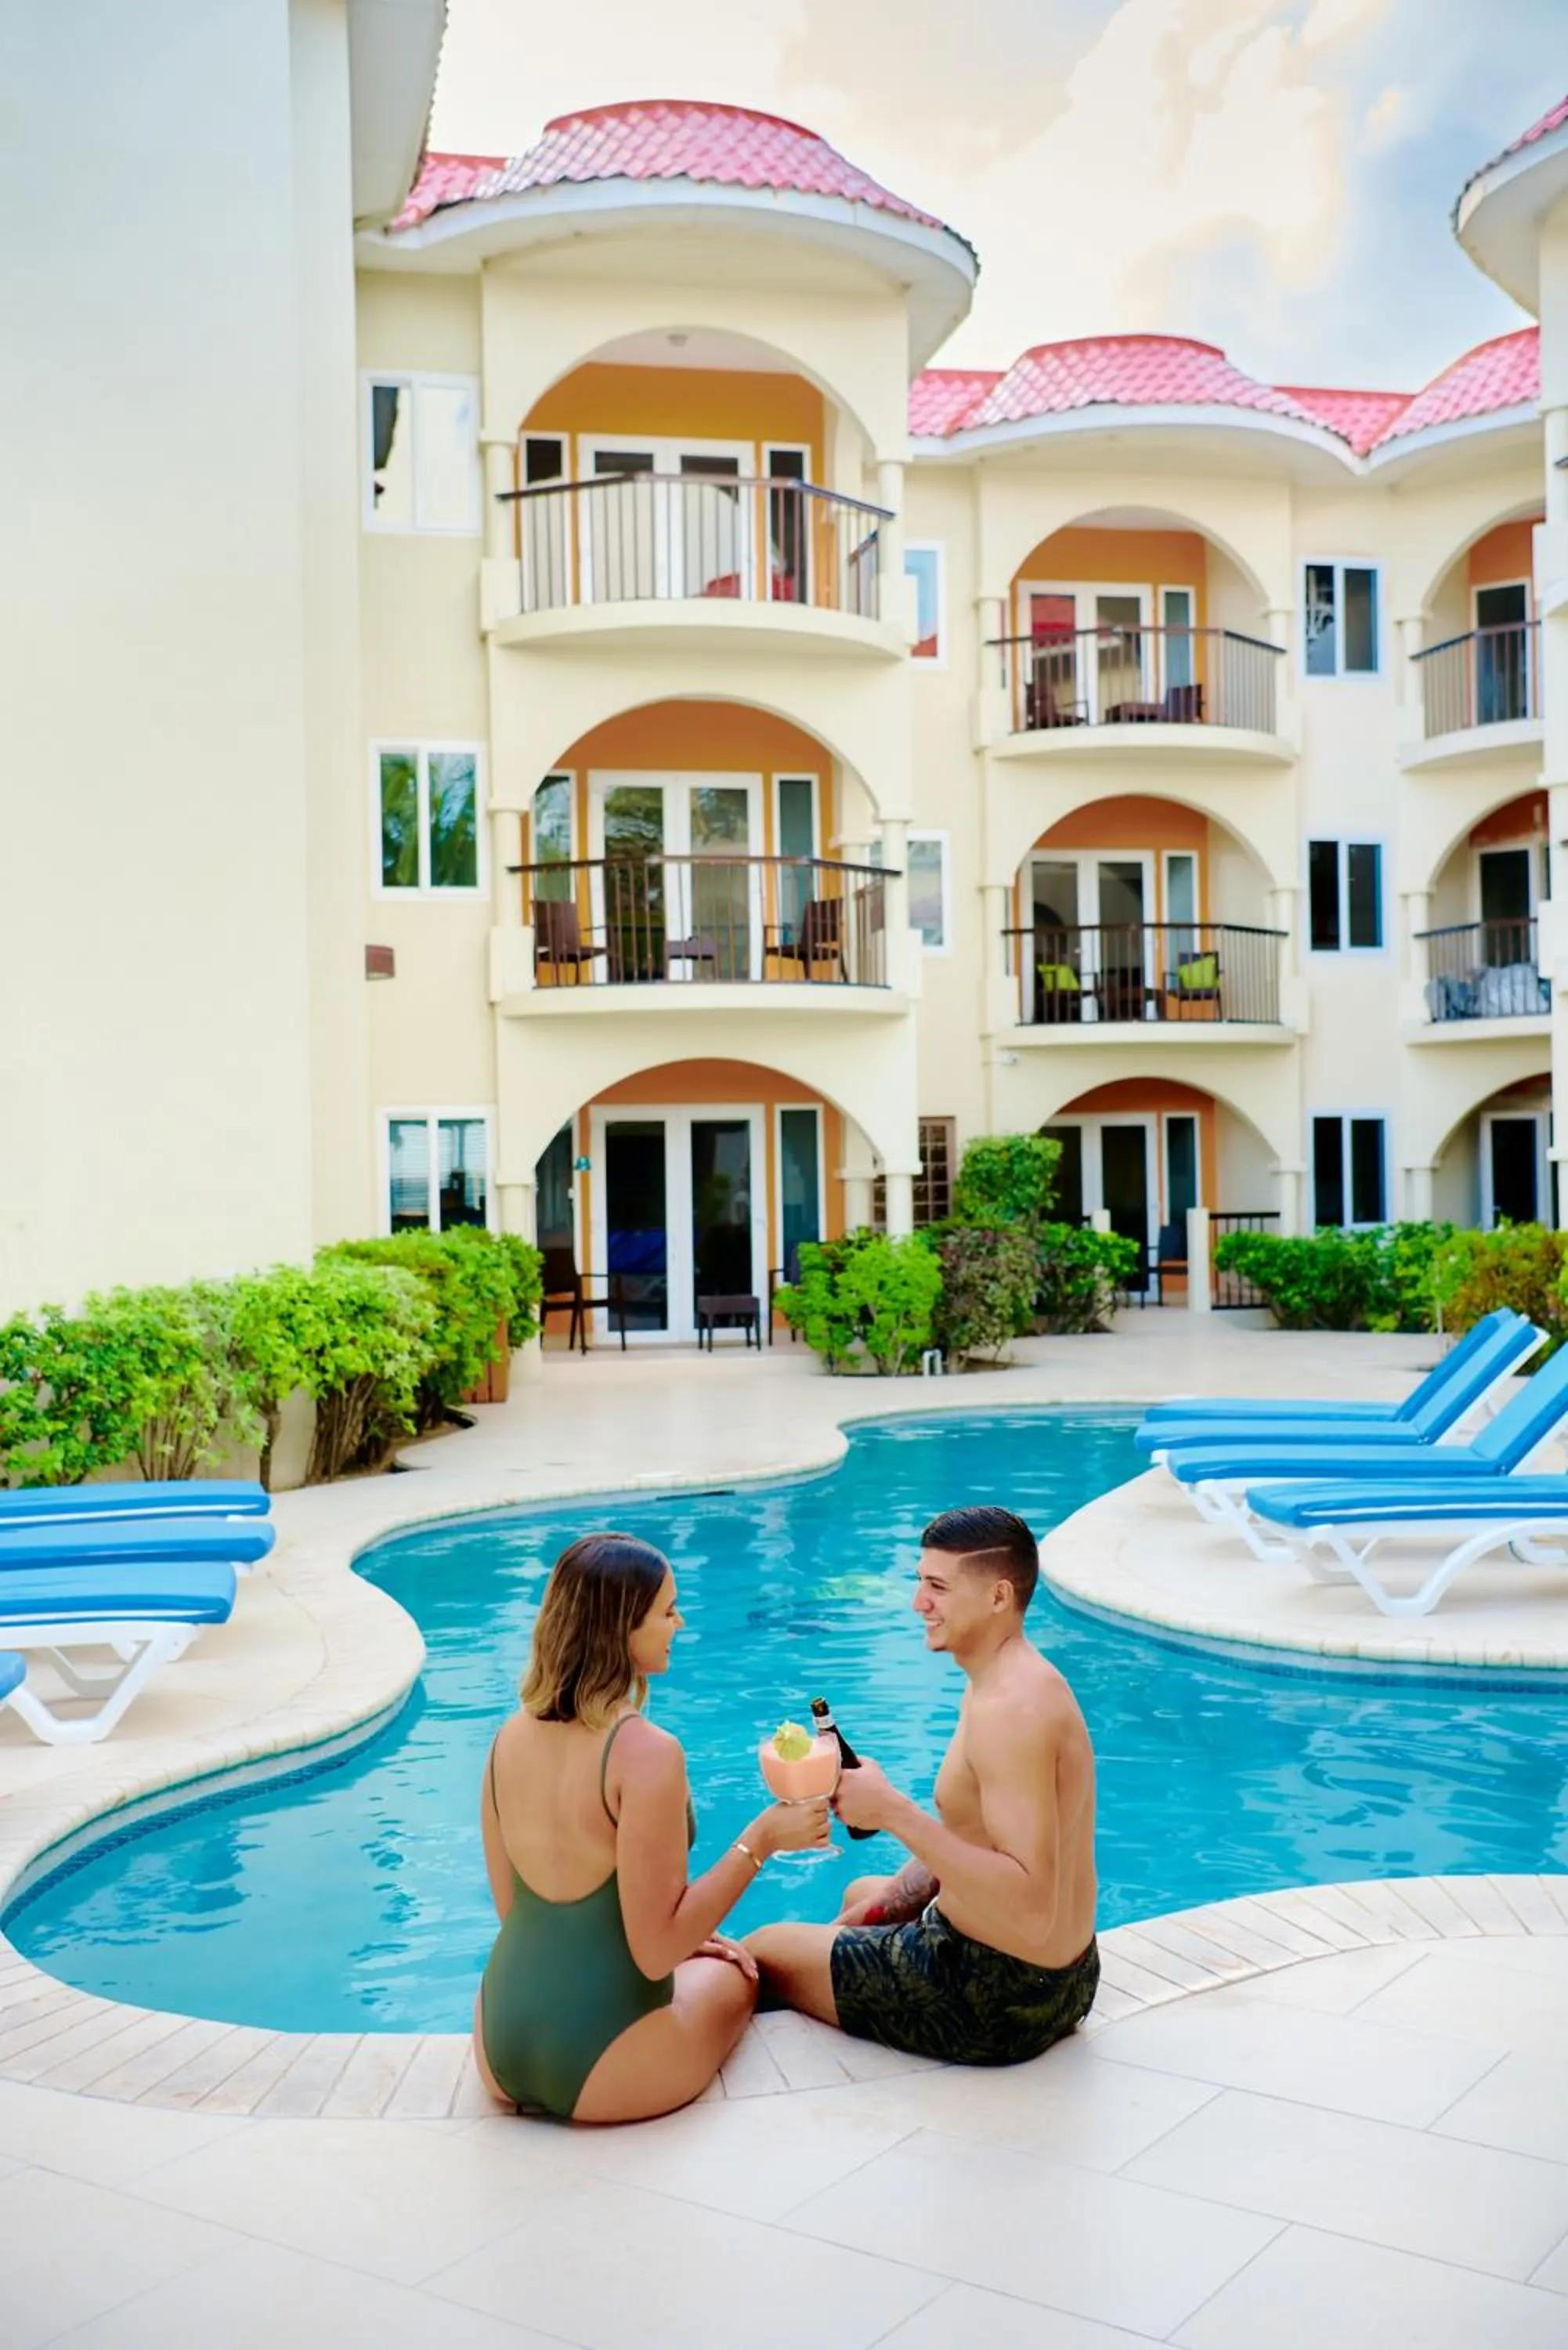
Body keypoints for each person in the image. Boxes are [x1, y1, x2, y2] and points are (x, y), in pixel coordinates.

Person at [474, 1531, 830, 2124]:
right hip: (608, 2068)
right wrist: (762, 1839)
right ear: (622, 1629)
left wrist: (679, 1936)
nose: (680, 1623)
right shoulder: (646, 1753)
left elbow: (515, 1911)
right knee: (740, 1971)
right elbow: (655, 1950)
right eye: (666, 1611)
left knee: (698, 1952)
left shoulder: (505, 1740)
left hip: (498, 2043)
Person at [746, 1505, 1099, 2066]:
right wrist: (863, 1919)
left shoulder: (1010, 1710)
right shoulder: (1009, 1676)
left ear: (998, 1597)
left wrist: (891, 1811)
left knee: (763, 1948)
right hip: (1064, 1977)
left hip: (993, 2000)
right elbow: (978, 1837)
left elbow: (1030, 1899)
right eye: (920, 1583)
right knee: (862, 1892)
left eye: (937, 1587)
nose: (919, 1604)